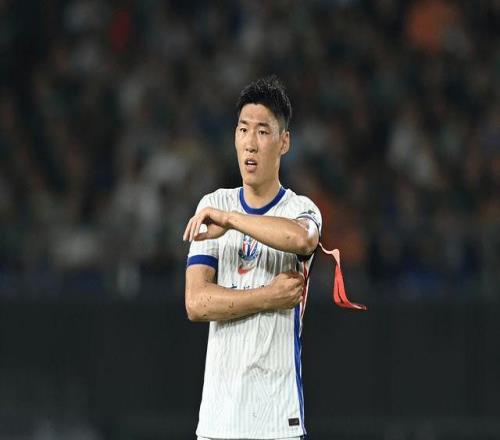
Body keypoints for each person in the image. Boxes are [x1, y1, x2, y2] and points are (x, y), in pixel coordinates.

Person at [183, 75, 322, 440]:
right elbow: (196, 303)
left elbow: (302, 238)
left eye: (263, 131)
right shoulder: (213, 204)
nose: (250, 143)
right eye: (244, 130)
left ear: (284, 142)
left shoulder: (300, 209)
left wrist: (232, 221)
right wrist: (267, 298)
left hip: (277, 422)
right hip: (217, 423)